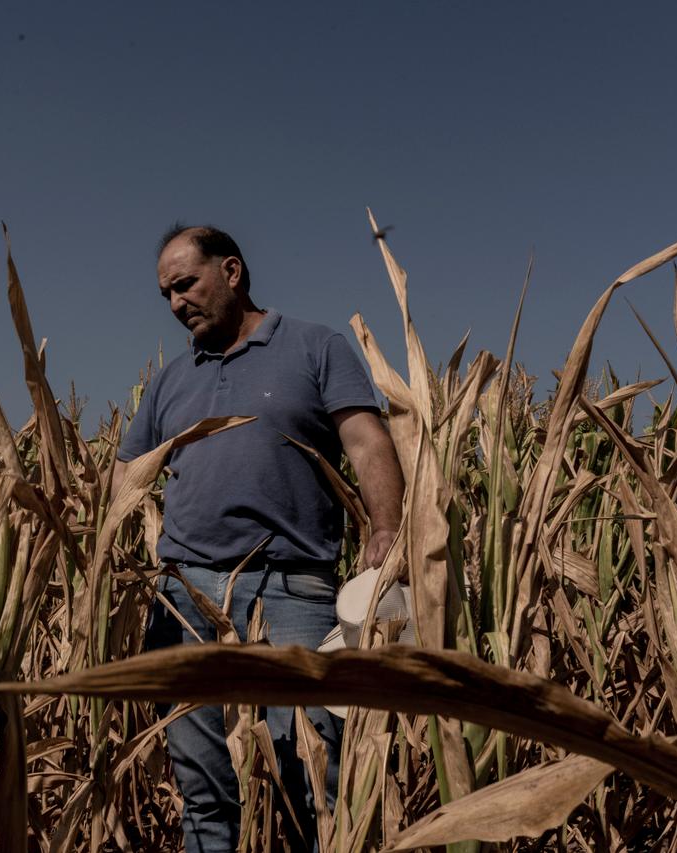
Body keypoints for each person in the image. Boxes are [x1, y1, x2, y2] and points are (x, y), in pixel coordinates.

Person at [113, 224, 404, 852]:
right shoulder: (169, 382)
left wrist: (386, 529)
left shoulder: (314, 347)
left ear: (233, 272)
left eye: (185, 284)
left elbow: (367, 441)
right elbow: (126, 477)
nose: (175, 303)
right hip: (184, 596)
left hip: (291, 586)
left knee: (315, 777)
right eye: (165, 293)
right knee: (203, 789)